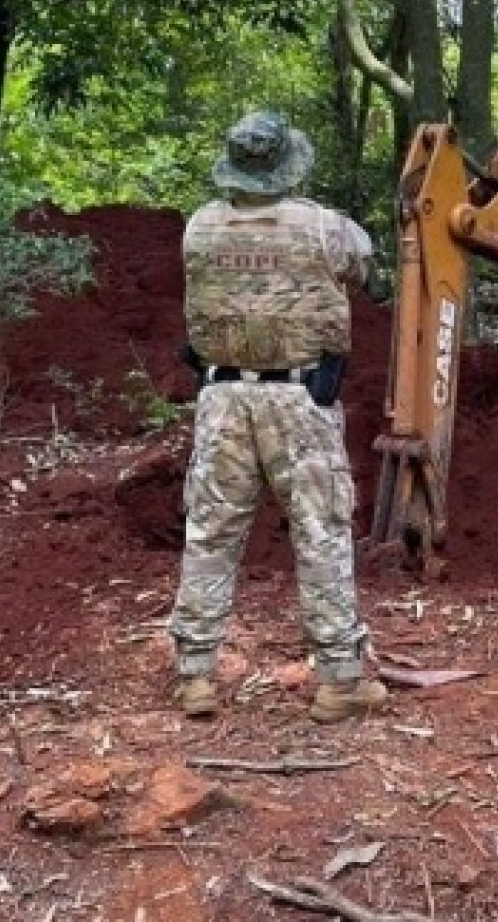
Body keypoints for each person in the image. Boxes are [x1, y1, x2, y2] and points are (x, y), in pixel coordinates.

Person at [169, 111, 387, 723]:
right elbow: (367, 270)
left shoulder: (199, 228)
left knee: (210, 532)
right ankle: (339, 677)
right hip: (298, 399)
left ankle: (195, 676)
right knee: (321, 532)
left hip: (221, 399)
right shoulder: (325, 229)